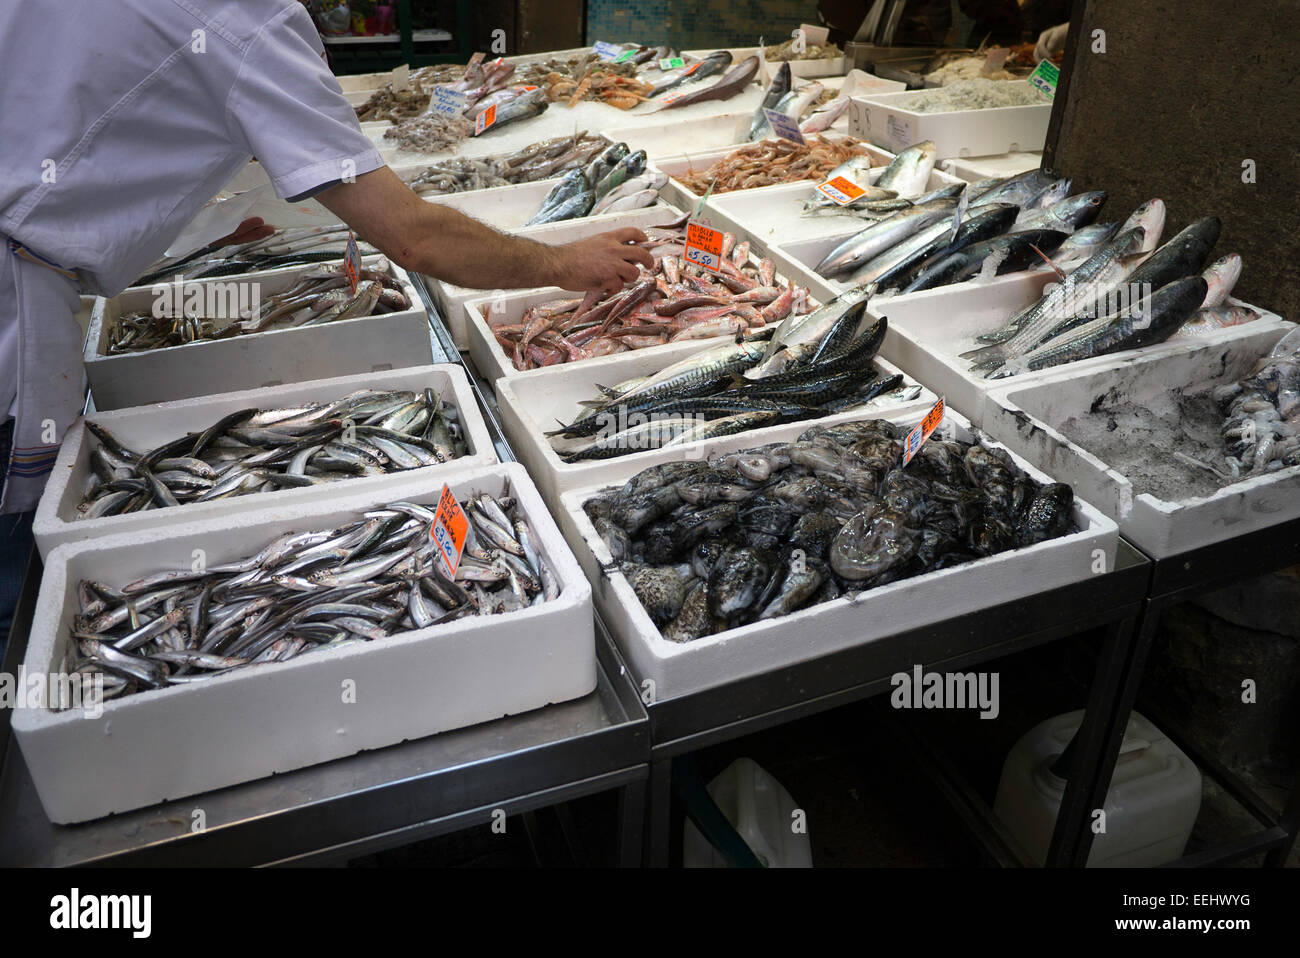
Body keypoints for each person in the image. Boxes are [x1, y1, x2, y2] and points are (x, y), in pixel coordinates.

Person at [0, 1, 653, 651]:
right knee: (11, 597)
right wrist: (563, 261)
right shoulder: (253, 22)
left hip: (27, 269)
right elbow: (415, 237)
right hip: (14, 305)